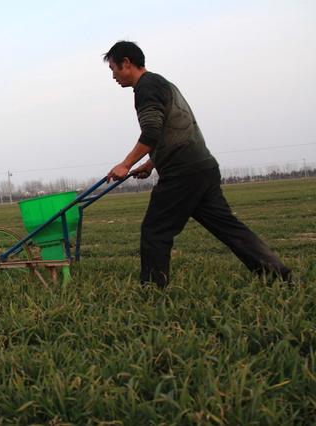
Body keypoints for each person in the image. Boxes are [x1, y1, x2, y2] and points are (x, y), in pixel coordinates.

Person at [103, 41, 291, 287]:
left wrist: (125, 164)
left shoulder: (146, 88)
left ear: (126, 63)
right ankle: (278, 276)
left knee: (155, 230)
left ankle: (152, 289)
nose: (114, 76)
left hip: (182, 174)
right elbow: (173, 131)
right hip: (202, 167)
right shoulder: (162, 83)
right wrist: (151, 163)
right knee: (228, 227)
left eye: (114, 69)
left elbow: (151, 132)